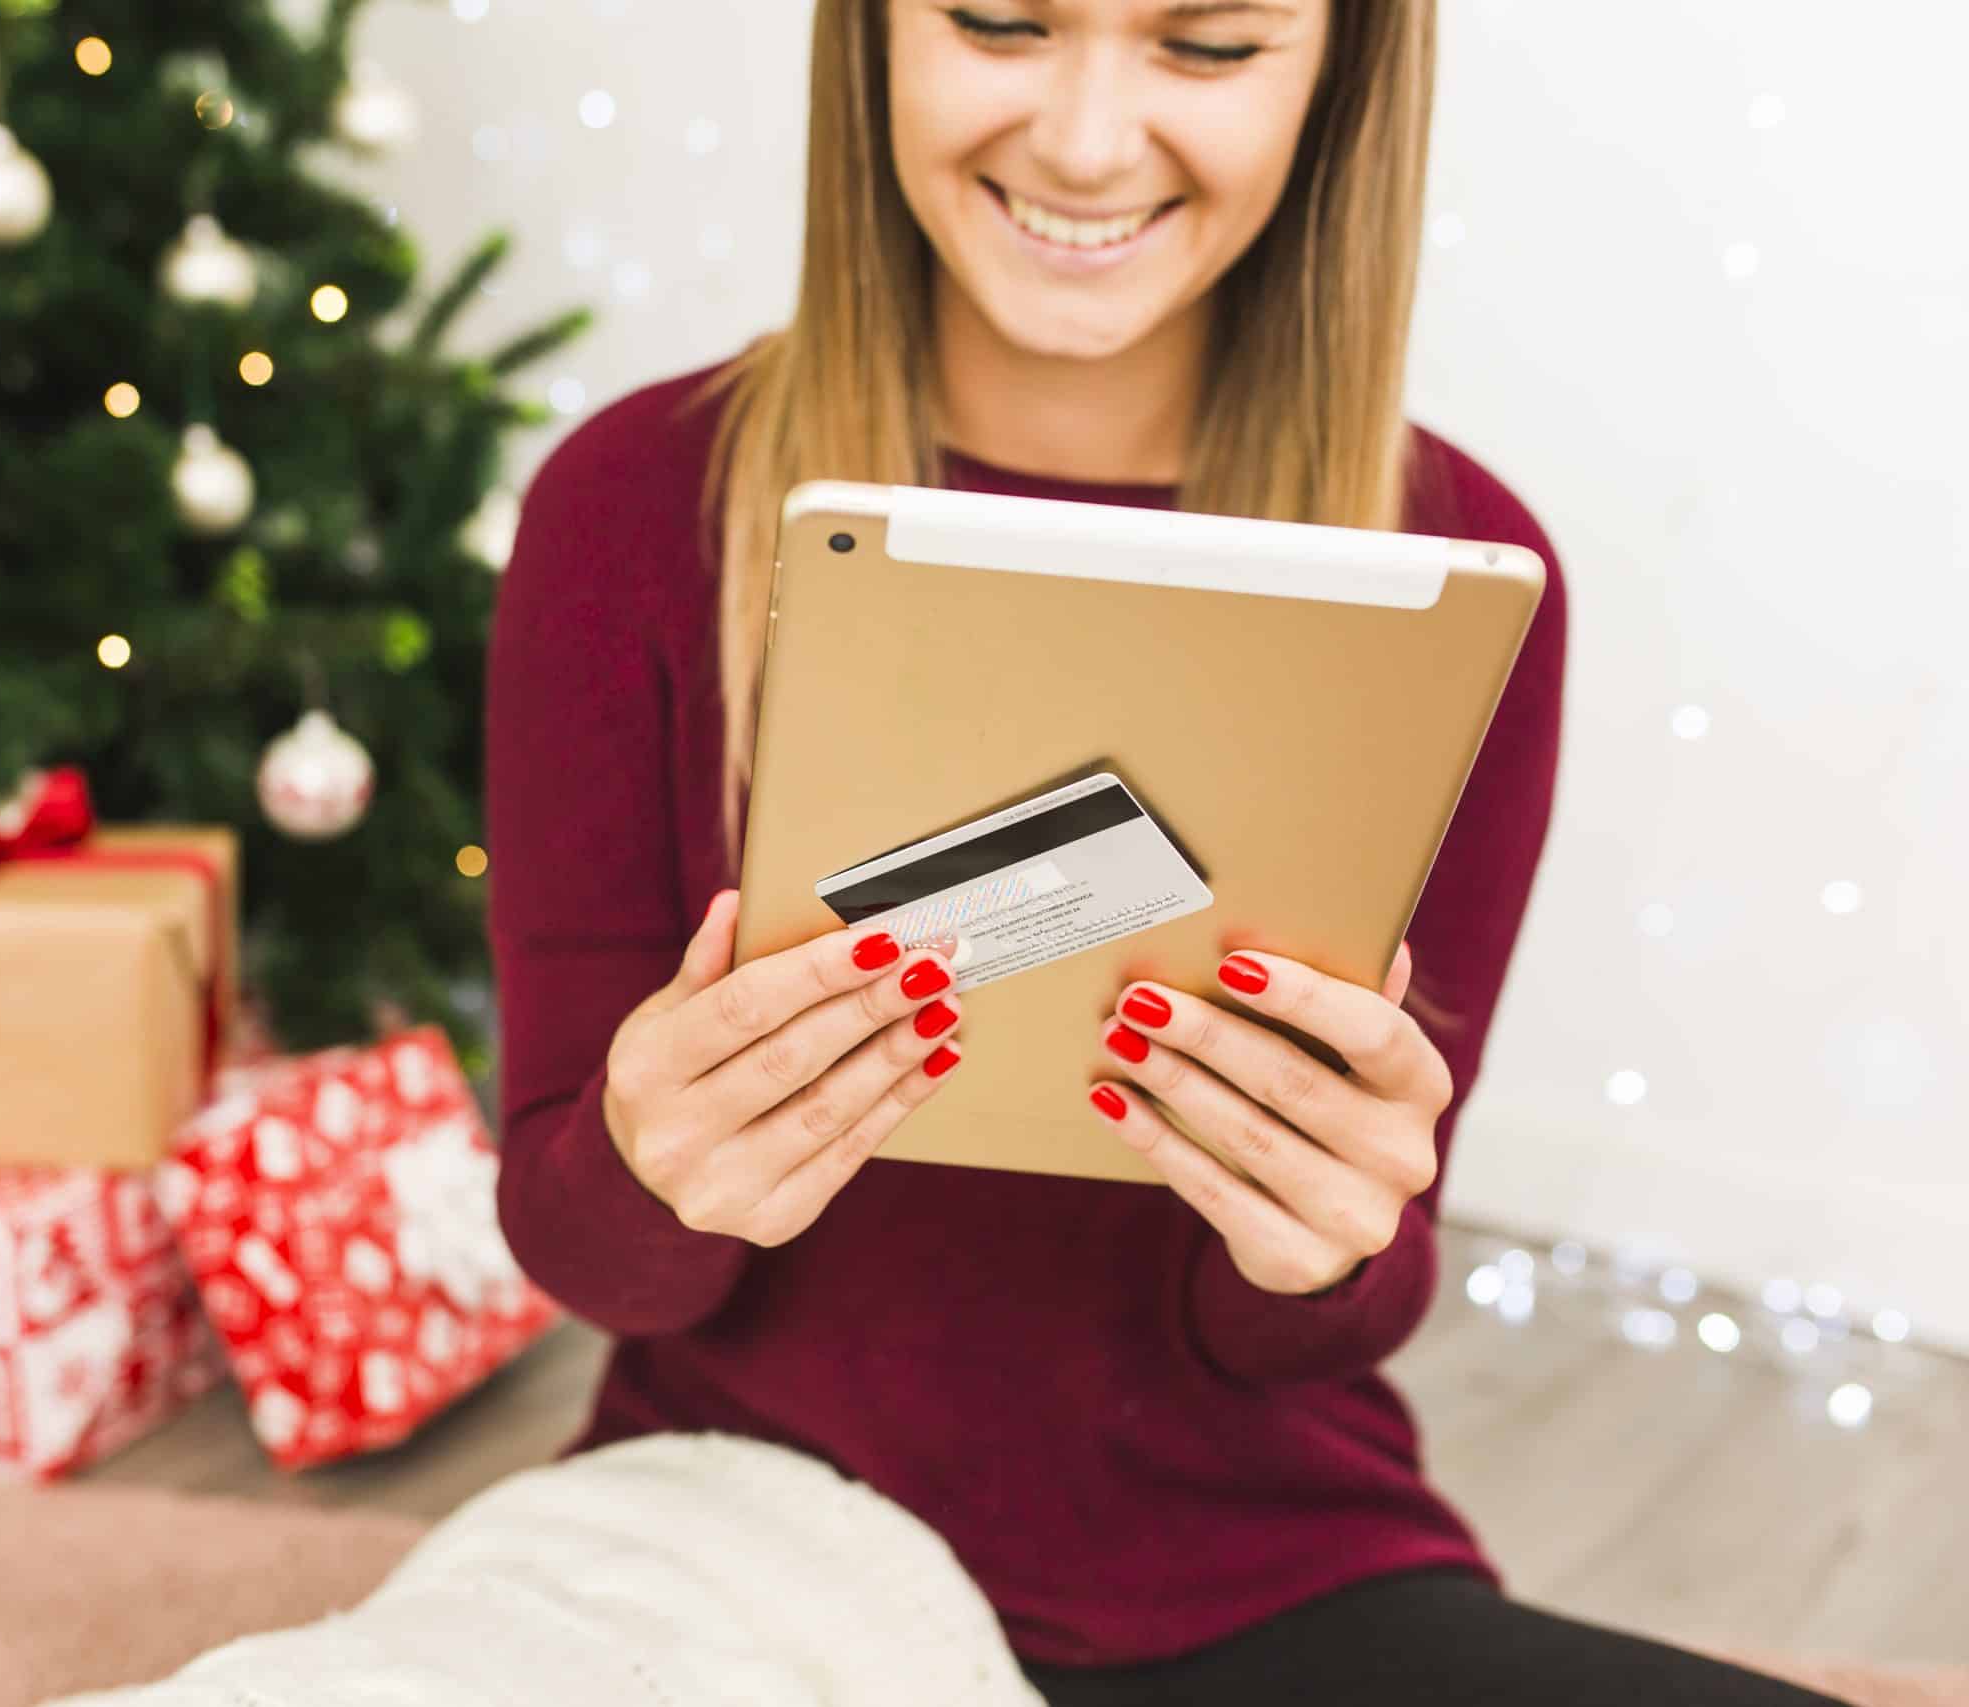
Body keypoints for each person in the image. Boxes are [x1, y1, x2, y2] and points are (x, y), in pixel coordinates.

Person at [483, 2, 1853, 1703]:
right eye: (998, 21)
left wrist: (1321, 1235)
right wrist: (654, 1161)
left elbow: (1324, 1321)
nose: (1083, 139)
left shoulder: (1454, 571)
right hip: (734, 1531)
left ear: (1336, 79)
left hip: (1257, 1569)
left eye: (1206, 50)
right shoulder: (633, 510)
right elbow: (583, 1249)